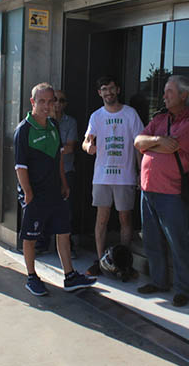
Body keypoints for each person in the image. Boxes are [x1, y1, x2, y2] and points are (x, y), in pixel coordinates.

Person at [14, 82, 96, 296]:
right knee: (30, 238)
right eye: (42, 101)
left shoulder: (53, 126)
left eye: (51, 101)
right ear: (33, 102)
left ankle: (69, 276)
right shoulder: (23, 130)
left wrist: (63, 183)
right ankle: (31, 277)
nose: (47, 105)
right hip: (35, 195)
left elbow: (59, 158)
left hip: (55, 192)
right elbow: (20, 167)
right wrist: (29, 194)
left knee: (63, 232)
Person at [133, 75, 189, 307]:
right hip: (148, 188)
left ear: (184, 95)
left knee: (177, 242)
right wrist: (156, 140)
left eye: (169, 92)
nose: (164, 96)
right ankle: (159, 281)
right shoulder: (160, 119)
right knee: (152, 239)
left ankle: (183, 288)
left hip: (172, 191)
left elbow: (174, 146)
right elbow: (138, 142)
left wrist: (151, 143)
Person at [83, 76, 144, 276]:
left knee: (125, 219)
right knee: (102, 219)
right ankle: (101, 261)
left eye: (111, 88)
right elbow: (86, 141)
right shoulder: (96, 116)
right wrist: (88, 147)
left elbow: (138, 146)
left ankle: (123, 262)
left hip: (125, 176)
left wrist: (139, 172)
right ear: (99, 93)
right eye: (104, 89)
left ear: (117, 89)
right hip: (102, 176)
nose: (108, 92)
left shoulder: (130, 114)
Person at [35, 90, 79, 257]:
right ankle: (42, 243)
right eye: (55, 100)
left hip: (66, 172)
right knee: (44, 208)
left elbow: (69, 148)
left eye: (61, 100)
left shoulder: (70, 123)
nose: (57, 104)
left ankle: (69, 246)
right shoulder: (40, 122)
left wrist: (50, 149)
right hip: (46, 174)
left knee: (66, 210)